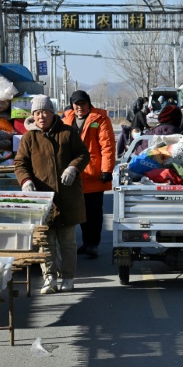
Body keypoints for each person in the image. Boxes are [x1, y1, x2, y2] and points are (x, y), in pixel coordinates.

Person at [14, 95, 89, 294]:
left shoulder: (67, 132)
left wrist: (73, 168)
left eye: (45, 112)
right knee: (45, 242)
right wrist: (26, 181)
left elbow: (83, 154)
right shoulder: (29, 137)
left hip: (67, 197)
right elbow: (20, 163)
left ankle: (68, 277)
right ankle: (49, 278)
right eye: (37, 113)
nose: (41, 116)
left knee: (67, 242)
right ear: (33, 116)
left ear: (52, 113)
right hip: (42, 200)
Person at [62, 90, 116, 259]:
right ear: (72, 104)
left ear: (88, 103)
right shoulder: (67, 119)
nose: (80, 108)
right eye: (77, 104)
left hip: (94, 174)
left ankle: (93, 244)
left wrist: (107, 170)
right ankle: (86, 243)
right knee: (79, 212)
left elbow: (108, 146)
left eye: (83, 104)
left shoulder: (100, 119)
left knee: (93, 213)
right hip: (73, 173)